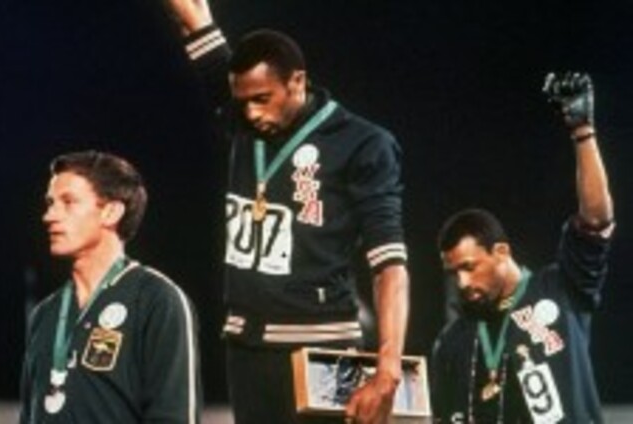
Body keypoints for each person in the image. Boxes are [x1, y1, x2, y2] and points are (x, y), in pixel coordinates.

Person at [162, 1, 410, 423]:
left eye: (263, 99)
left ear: (298, 81)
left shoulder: (364, 144)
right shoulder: (243, 117)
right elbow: (195, 19)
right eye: (243, 102)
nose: (252, 113)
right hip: (245, 344)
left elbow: (389, 264)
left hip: (322, 344)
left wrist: (388, 367)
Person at [430, 72, 614, 423]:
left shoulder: (561, 288)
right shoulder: (452, 342)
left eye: (469, 267)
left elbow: (596, 219)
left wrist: (582, 133)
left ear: (501, 252)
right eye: (453, 273)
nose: (462, 283)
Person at [20, 151, 202, 423]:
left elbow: (174, 416)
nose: (49, 215)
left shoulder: (157, 300)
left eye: (68, 202)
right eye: (50, 203)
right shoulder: (45, 313)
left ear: (111, 212)